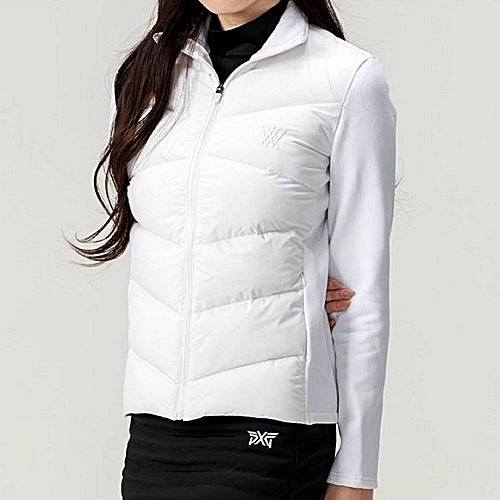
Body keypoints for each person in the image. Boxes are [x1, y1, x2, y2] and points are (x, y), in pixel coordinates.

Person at [67, 0, 397, 498]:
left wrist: (356, 471)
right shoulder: (150, 76)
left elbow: (360, 295)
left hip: (269, 428)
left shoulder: (345, 78)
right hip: (156, 431)